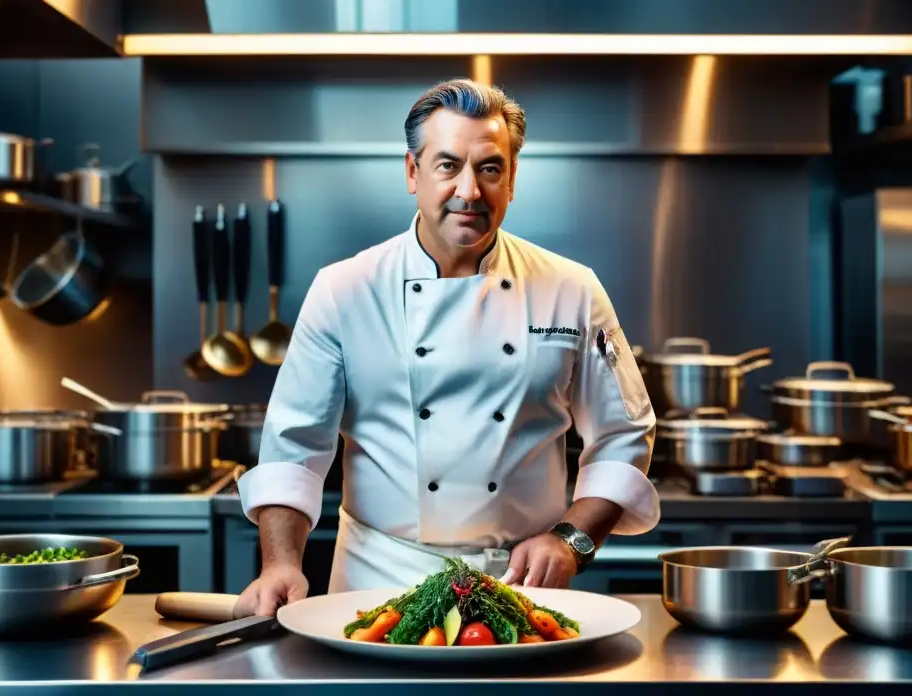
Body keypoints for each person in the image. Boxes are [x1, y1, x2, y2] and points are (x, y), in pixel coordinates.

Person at [234, 78, 658, 618]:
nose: (469, 191)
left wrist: (573, 539)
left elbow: (625, 434)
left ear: (512, 179)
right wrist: (279, 564)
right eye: (447, 165)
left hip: (525, 589)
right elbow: (293, 449)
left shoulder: (572, 288)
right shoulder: (344, 288)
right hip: (380, 589)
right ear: (412, 173)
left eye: (489, 168)